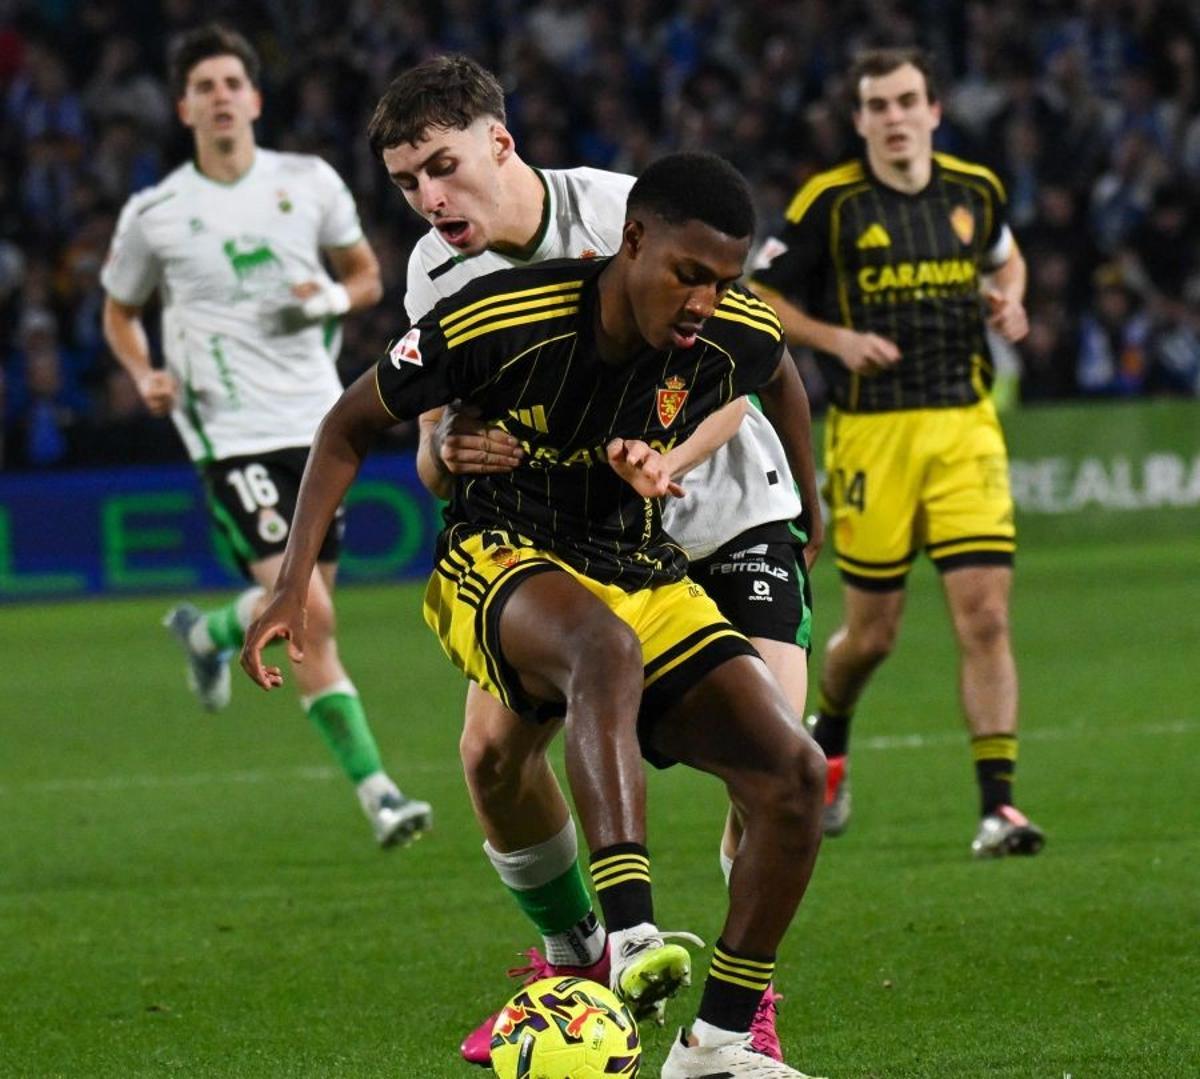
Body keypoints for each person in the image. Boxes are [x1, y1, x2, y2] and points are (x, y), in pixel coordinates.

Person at [242, 151, 828, 1078]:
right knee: (601, 650)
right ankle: (629, 937)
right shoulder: (500, 317)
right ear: (632, 241)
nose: (703, 302)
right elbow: (348, 423)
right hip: (500, 556)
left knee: (793, 775)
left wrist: (810, 494)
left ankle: (715, 1045)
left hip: (637, 560)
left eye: (722, 282)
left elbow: (779, 370)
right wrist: (289, 583)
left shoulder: (726, 327)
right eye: (687, 275)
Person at [100, 24, 431, 849]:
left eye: (230, 83)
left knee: (302, 606)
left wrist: (320, 299)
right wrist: (144, 373)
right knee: (310, 614)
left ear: (254, 97)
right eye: (203, 85)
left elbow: (365, 278)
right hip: (226, 431)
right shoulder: (157, 214)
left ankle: (208, 632)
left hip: (318, 428)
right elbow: (118, 310)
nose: (219, 96)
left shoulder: (307, 182)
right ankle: (380, 793)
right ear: (184, 107)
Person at [750, 47, 1045, 858]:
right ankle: (832, 729)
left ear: (934, 109)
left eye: (908, 100)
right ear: (860, 121)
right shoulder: (830, 201)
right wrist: (834, 337)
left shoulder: (974, 190)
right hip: (872, 434)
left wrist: (1011, 298)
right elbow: (760, 291)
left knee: (985, 617)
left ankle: (1000, 807)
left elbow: (1006, 255)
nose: (896, 117)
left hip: (965, 423)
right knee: (871, 634)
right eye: (878, 105)